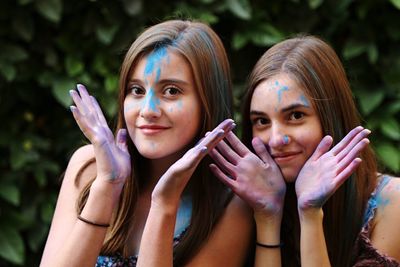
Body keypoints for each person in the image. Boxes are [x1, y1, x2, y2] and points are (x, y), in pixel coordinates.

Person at [40, 20, 253, 267]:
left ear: (208, 103)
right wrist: (107, 186)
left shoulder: (230, 203)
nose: (148, 110)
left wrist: (164, 204)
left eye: (171, 91)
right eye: (137, 90)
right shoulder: (88, 166)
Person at [209, 35, 400, 266]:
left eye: (296, 116)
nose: (276, 139)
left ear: (331, 117)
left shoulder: (391, 202)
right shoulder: (244, 205)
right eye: (261, 121)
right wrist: (267, 218)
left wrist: (310, 214)